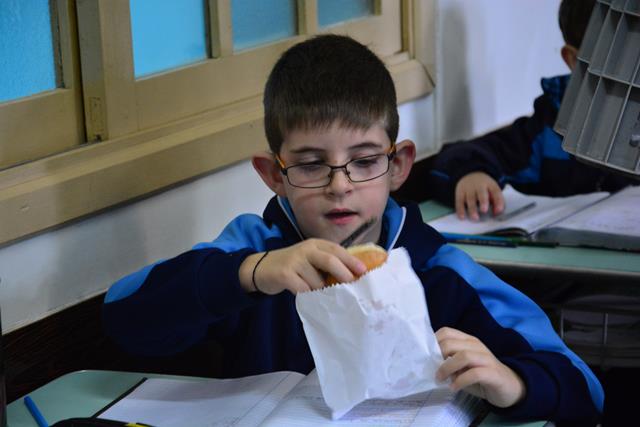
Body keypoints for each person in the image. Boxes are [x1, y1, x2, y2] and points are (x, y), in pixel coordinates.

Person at [103, 34, 603, 424]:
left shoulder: (441, 269)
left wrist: (514, 383)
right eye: (310, 164)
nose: (339, 186)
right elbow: (124, 319)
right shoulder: (255, 251)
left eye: (364, 161)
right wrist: (251, 274)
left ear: (398, 165)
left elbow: (585, 387)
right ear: (274, 174)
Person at [428, 0, 633, 221]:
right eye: (621, 58)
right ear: (574, 60)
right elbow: (460, 157)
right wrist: (471, 175)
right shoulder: (551, 125)